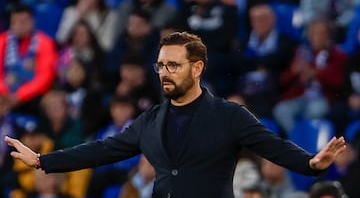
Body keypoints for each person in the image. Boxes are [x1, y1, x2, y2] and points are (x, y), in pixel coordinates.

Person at [4, 32, 346, 198]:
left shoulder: (229, 116)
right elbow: (102, 150)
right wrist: (43, 161)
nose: (165, 72)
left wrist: (311, 164)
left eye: (174, 65)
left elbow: (273, 146)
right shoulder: (150, 119)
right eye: (161, 65)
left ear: (197, 68)